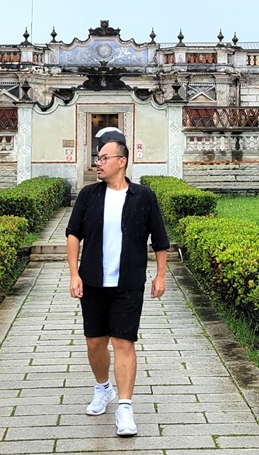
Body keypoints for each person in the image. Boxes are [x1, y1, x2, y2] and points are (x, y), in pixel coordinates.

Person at [66, 129, 170, 437]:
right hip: (93, 281)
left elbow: (160, 239)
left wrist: (161, 274)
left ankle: (125, 407)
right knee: (95, 342)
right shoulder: (88, 195)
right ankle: (103, 388)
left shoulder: (144, 197)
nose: (98, 163)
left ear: (121, 162)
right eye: (97, 158)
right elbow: (73, 235)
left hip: (129, 282)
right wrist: (74, 273)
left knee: (124, 342)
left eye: (104, 158)